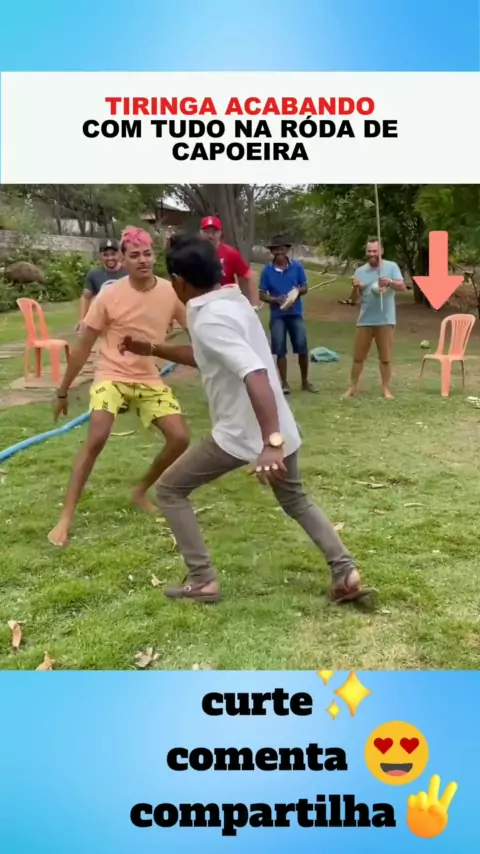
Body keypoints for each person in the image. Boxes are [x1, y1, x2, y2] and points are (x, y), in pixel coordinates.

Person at [120, 235, 374, 606]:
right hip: (274, 423)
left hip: (245, 432)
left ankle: (202, 579)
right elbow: (207, 354)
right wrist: (152, 348)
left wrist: (271, 442)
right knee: (295, 499)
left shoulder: (209, 318)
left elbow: (254, 372)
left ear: (179, 281)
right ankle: (345, 572)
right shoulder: (231, 301)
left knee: (170, 490)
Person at [48, 226, 190, 548]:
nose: (143, 260)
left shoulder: (170, 292)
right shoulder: (108, 295)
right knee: (97, 436)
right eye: (135, 255)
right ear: (123, 261)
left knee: (180, 438)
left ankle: (140, 490)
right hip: (111, 374)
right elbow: (83, 347)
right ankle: (66, 517)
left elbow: (197, 330)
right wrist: (63, 390)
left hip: (148, 377)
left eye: (148, 254)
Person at [344, 237, 405, 399]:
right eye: (369, 251)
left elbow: (402, 287)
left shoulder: (391, 267)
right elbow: (354, 299)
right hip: (365, 320)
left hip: (385, 320)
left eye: (375, 251)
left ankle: (386, 389)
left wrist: (389, 282)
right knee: (358, 357)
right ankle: (352, 388)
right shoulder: (360, 271)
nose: (372, 254)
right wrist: (355, 288)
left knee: (385, 358)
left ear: (381, 251)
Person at [259, 236, 317, 395]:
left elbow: (305, 287)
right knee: (280, 349)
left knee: (302, 347)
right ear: (271, 251)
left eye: (282, 248)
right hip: (277, 315)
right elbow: (262, 295)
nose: (279, 252)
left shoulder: (297, 267)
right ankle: (284, 383)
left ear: (287, 250)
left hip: (295, 313)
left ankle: (305, 381)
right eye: (275, 249)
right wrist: (275, 299)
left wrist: (296, 293)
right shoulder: (267, 271)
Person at [199, 215, 257, 306]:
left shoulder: (230, 253)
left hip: (225, 304)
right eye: (206, 232)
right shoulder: (194, 253)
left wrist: (252, 305)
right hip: (201, 304)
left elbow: (247, 277)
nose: (210, 236)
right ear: (200, 232)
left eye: (214, 232)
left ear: (220, 233)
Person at [78, 238, 126, 330]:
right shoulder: (94, 274)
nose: (110, 258)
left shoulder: (128, 272)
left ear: (119, 254)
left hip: (125, 320)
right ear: (100, 256)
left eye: (113, 254)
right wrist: (82, 319)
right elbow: (86, 297)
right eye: (106, 255)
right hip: (103, 323)